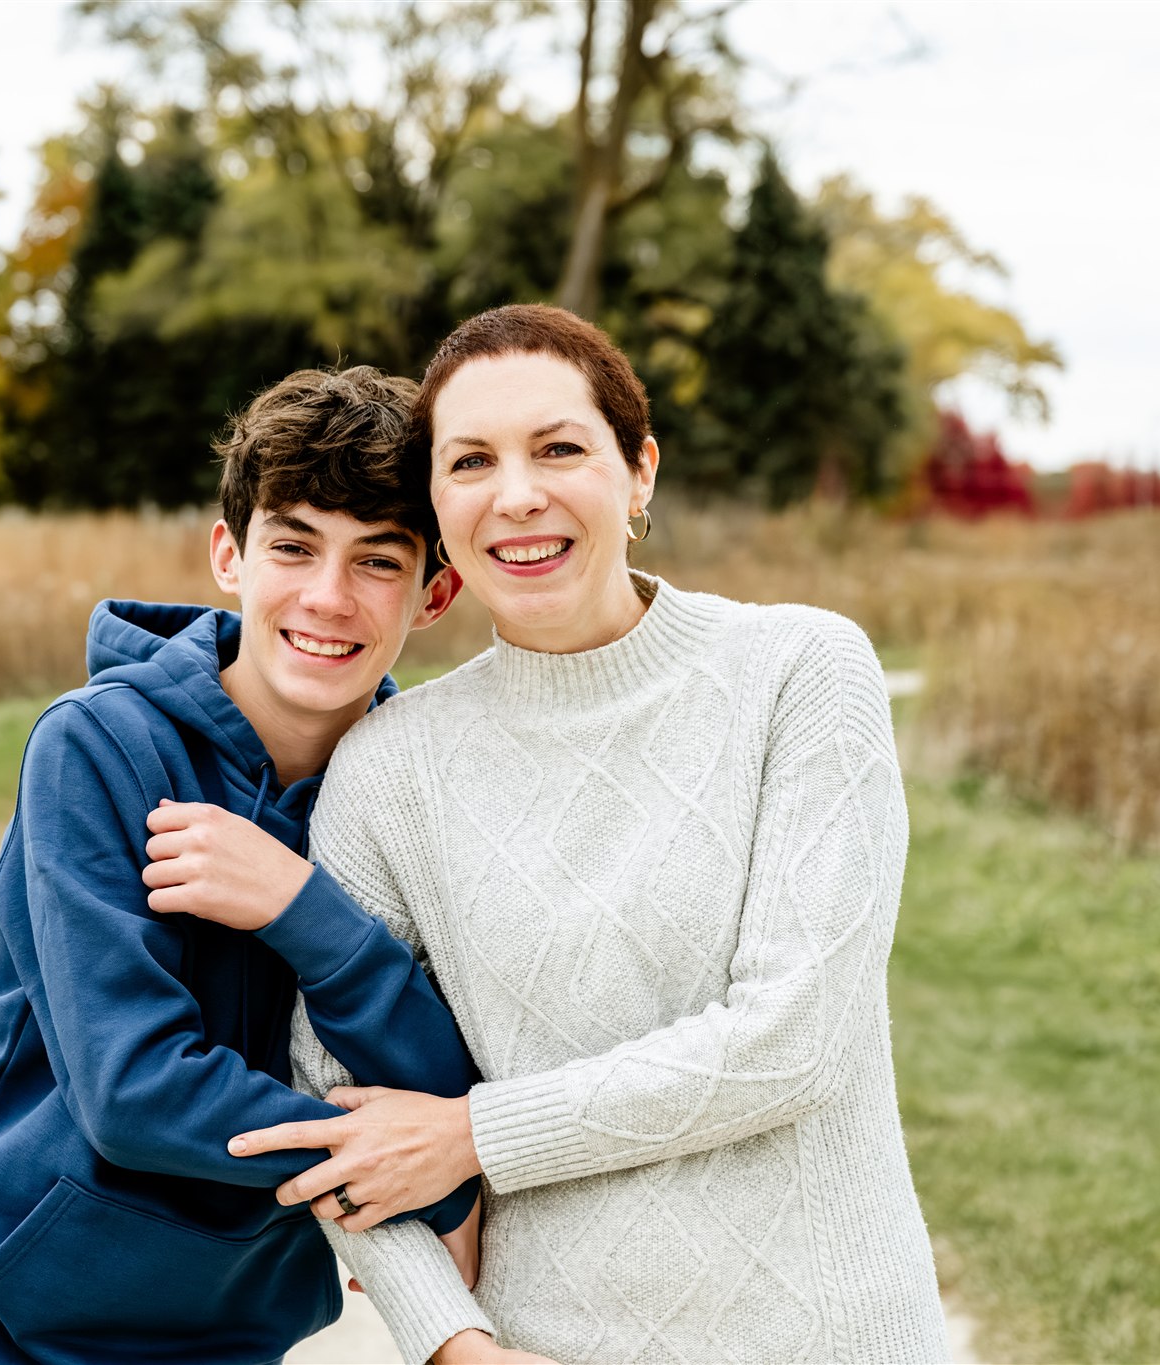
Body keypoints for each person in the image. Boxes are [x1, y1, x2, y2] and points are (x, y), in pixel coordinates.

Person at [152, 305, 951, 1364]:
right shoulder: (390, 763)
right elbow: (330, 1094)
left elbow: (794, 1038)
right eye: (470, 460)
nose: (516, 494)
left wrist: (472, 1135)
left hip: (835, 1334)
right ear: (438, 505)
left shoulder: (798, 673)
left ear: (639, 474)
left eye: (559, 448)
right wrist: (447, 1341)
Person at [0, 366, 483, 1365]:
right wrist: (402, 1164)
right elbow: (132, 1091)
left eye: (376, 560)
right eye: (292, 546)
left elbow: (436, 1077)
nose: (327, 596)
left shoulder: (416, 802)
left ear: (435, 591)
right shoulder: (98, 748)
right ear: (228, 553)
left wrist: (302, 910)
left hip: (224, 1337)